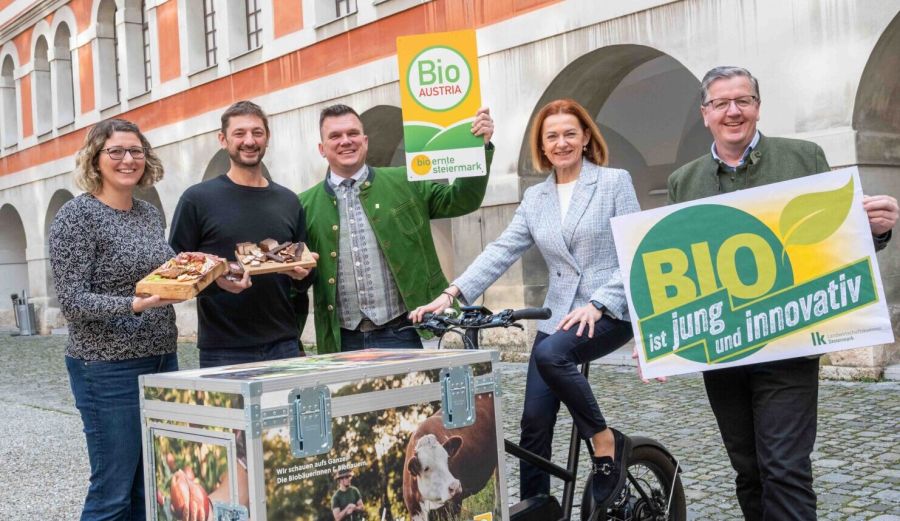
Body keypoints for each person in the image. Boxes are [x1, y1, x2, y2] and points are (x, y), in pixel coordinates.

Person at [668, 66, 898, 521]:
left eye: (743, 100)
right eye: (721, 103)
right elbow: (677, 269)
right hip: (723, 351)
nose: (733, 111)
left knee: (785, 468)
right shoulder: (683, 181)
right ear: (705, 113)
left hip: (790, 345)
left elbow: (837, 240)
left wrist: (876, 231)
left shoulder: (803, 158)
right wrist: (658, 338)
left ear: (757, 106)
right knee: (748, 469)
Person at [411, 99, 642, 510]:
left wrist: (599, 303)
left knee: (551, 355)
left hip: (608, 310)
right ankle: (538, 509)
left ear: (586, 138)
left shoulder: (613, 182)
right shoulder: (536, 197)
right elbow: (502, 249)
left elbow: (634, 250)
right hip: (560, 316)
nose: (561, 142)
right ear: (542, 146)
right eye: (552, 136)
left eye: (570, 133)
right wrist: (451, 294)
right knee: (533, 423)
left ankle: (604, 441)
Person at [50, 118, 181, 520]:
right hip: (107, 369)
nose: (128, 160)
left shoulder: (148, 213)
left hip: (161, 359)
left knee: (150, 488)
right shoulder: (77, 216)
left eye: (136, 151)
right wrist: (133, 305)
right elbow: (73, 301)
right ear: (95, 158)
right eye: (116, 151)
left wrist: (210, 273)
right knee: (112, 491)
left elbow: (167, 271)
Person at [300, 104, 495, 352]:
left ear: (365, 141)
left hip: (404, 331)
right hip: (341, 339)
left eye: (353, 133)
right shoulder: (304, 205)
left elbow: (461, 200)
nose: (345, 141)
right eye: (335, 136)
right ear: (321, 148)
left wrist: (478, 149)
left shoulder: (406, 180)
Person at [169, 101, 316, 368]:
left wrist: (302, 274)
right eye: (239, 133)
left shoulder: (288, 201)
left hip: (284, 343)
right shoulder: (197, 199)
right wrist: (218, 283)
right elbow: (175, 270)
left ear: (267, 138)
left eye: (257, 133)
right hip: (223, 349)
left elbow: (301, 277)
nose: (249, 141)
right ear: (222, 139)